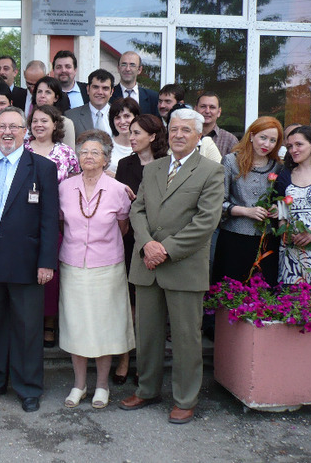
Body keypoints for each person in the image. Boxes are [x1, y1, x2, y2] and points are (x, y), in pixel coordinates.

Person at [119, 108, 224, 425]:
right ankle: (147, 388)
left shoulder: (210, 171)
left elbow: (206, 221)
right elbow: (137, 210)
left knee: (185, 338)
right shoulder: (153, 169)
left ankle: (185, 399)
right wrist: (147, 243)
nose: (179, 135)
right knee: (147, 334)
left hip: (182, 265)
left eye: (186, 130)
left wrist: (164, 249)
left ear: (199, 135)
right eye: (174, 129)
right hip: (147, 265)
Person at [0, 107, 59, 413]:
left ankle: (28, 386)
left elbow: (49, 219)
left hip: (26, 260)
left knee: (27, 326)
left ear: (24, 132)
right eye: (1, 127)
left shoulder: (42, 168)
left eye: (14, 127)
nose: (7, 132)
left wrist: (46, 262)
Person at [59, 130, 135, 409]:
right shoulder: (65, 187)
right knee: (77, 326)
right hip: (73, 264)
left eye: (95, 152)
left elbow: (124, 227)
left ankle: (102, 385)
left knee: (105, 327)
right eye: (83, 152)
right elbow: (60, 223)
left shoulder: (118, 189)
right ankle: (79, 384)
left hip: (107, 267)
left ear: (106, 158)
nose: (88, 157)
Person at [114, 114, 169, 384]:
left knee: (149, 306)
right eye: (130, 132)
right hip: (129, 242)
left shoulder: (167, 163)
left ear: (153, 136)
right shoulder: (125, 164)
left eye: (136, 133)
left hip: (158, 242)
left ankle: (144, 363)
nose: (131, 137)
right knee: (129, 303)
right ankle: (124, 358)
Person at [25, 103, 79, 348]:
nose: (39, 125)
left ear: (55, 124)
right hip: (24, 221)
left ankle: (49, 324)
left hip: (56, 221)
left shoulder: (66, 152)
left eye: (44, 120)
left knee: (51, 274)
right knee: (26, 272)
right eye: (35, 120)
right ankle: (30, 322)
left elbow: (75, 184)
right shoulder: (21, 149)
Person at [213, 117, 283, 287]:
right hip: (234, 237)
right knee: (228, 292)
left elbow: (281, 200)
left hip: (266, 240)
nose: (267, 144)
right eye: (263, 137)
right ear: (251, 136)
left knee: (263, 293)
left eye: (273, 140)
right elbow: (217, 203)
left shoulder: (278, 167)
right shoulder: (231, 161)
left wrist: (276, 209)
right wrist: (245, 211)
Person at [275, 125, 311, 289]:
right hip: (291, 251)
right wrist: (283, 229)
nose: (293, 150)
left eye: (299, 144)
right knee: (290, 304)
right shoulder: (285, 174)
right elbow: (280, 209)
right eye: (289, 146)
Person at [65, 69, 115, 139]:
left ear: (111, 92)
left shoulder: (120, 115)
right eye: (95, 87)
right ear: (88, 89)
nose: (100, 92)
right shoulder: (71, 117)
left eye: (105, 88)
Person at [109, 51, 159, 117]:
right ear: (118, 68)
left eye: (132, 65)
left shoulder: (153, 97)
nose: (127, 69)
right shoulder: (109, 96)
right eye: (124, 64)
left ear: (139, 70)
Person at [32, 75, 75, 147]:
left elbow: (70, 154)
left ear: (56, 98)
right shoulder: (29, 121)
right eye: (39, 91)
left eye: (48, 92)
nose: (42, 95)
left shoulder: (66, 123)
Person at [196, 92, 238, 156]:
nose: (207, 111)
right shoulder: (186, 136)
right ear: (195, 109)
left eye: (212, 107)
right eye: (203, 106)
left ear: (219, 112)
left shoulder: (230, 140)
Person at [107, 97, 141, 174]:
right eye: (117, 117)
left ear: (136, 117)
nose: (122, 122)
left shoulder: (144, 145)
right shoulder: (106, 145)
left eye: (127, 116)